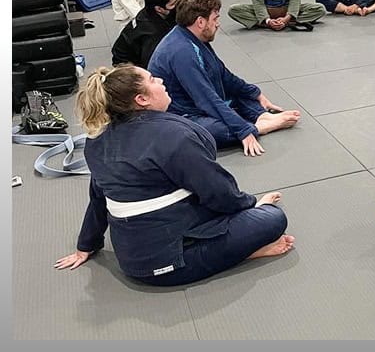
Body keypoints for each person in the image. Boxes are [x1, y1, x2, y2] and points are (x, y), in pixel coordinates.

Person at [54, 65, 294, 287]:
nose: (160, 80)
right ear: (142, 99)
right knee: (273, 219)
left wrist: (86, 244)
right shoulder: (174, 137)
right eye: (152, 80)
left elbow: (98, 197)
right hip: (171, 266)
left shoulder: (96, 140)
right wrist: (252, 207)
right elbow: (218, 191)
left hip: (131, 261)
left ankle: (238, 241)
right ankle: (246, 251)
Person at [148, 0, 301, 156]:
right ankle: (259, 126)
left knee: (241, 92)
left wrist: (256, 93)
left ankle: (261, 115)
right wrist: (244, 131)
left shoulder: (194, 38)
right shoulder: (181, 52)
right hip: (185, 114)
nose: (218, 24)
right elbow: (205, 98)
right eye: (215, 19)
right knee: (205, 131)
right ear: (201, 22)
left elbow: (223, 75)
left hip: (200, 99)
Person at [111, 0, 179, 68]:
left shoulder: (150, 11)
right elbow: (151, 64)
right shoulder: (153, 32)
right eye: (173, 4)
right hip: (127, 63)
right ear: (159, 9)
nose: (178, 5)